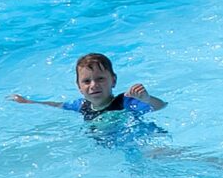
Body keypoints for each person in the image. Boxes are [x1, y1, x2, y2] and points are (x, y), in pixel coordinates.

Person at [11, 52, 167, 131]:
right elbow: (58, 105)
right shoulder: (81, 105)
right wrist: (29, 102)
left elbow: (160, 106)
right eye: (86, 81)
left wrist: (146, 98)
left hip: (140, 140)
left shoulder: (125, 101)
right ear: (79, 87)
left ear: (113, 80)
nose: (93, 85)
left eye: (100, 79)